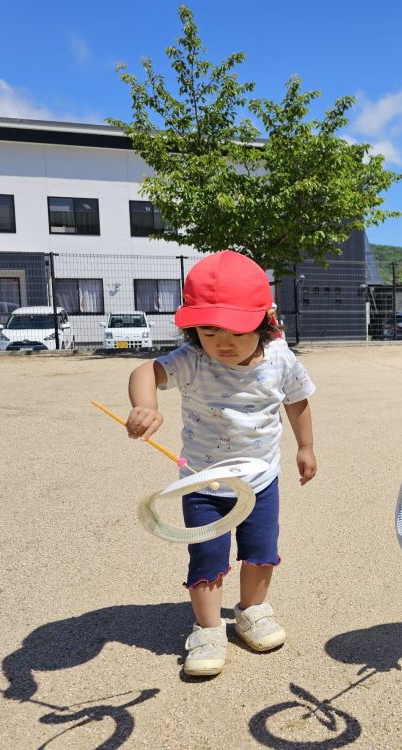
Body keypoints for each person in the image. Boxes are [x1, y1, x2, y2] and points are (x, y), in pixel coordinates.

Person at [125, 250, 316, 677]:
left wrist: (306, 447)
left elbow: (298, 401)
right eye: (208, 331)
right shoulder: (192, 361)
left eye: (236, 330)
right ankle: (208, 629)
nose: (222, 343)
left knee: (261, 553)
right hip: (202, 483)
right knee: (207, 556)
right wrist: (145, 405)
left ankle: (252, 610)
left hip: (260, 480)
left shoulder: (280, 359)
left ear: (264, 321)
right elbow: (144, 372)